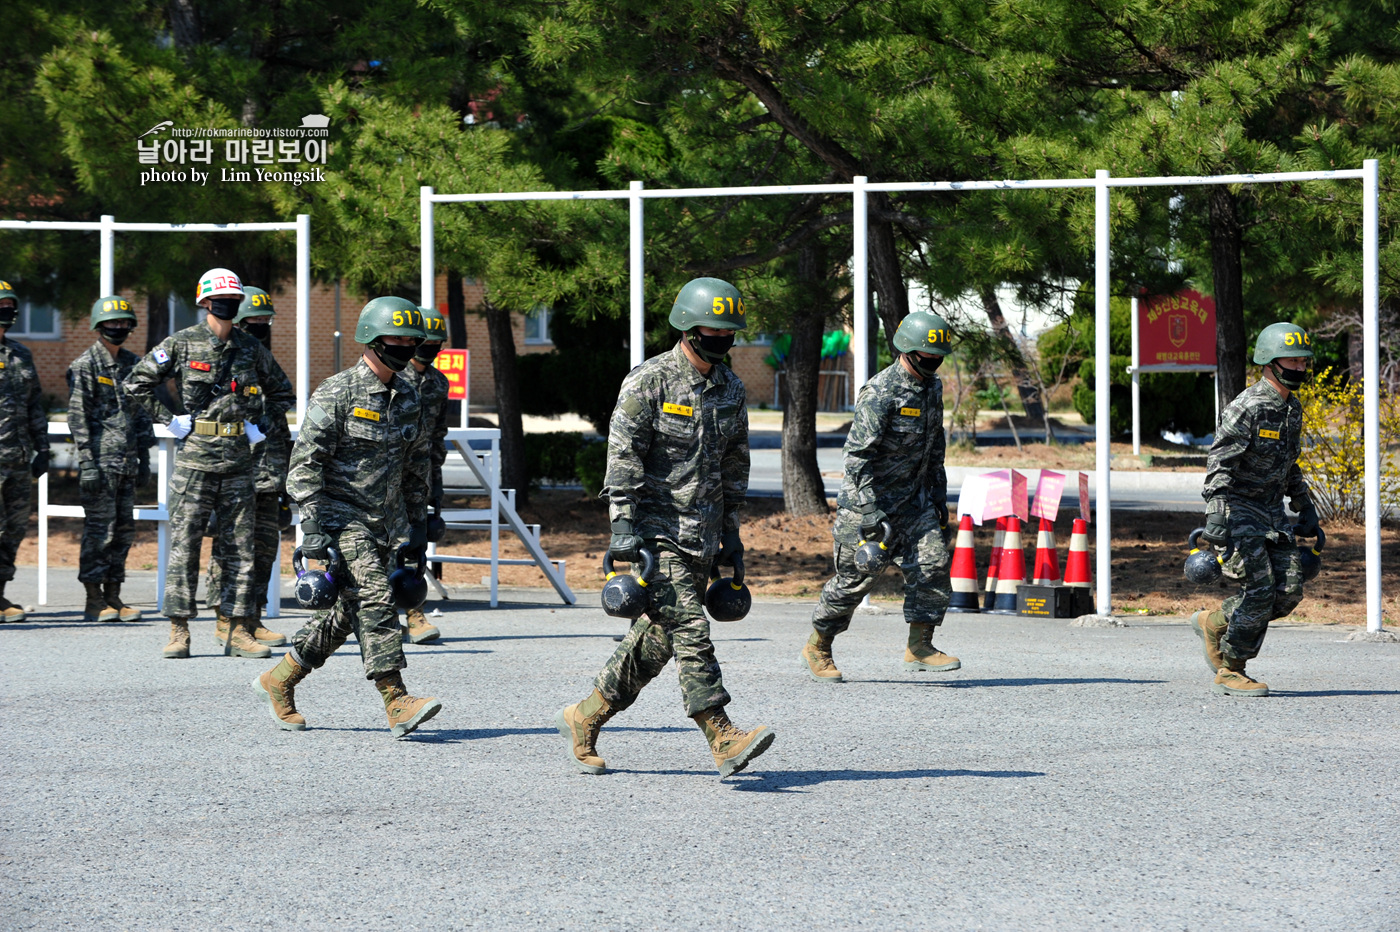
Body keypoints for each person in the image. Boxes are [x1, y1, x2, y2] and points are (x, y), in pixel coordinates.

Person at [555, 277, 774, 778]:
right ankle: (722, 733)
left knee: (657, 642)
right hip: (656, 534)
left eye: (728, 331)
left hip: (705, 532)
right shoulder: (649, 381)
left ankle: (585, 715)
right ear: (686, 326)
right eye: (710, 329)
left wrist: (732, 534)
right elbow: (623, 458)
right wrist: (623, 530)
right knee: (692, 631)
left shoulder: (732, 388)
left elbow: (733, 465)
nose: (720, 338)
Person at [252, 296, 441, 738]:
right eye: (397, 339)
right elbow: (303, 467)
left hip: (385, 523)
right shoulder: (337, 392)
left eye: (412, 340)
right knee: (375, 595)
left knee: (345, 612)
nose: (406, 346)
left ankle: (279, 679)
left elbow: (416, 468)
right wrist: (312, 530)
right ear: (372, 340)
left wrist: (417, 527)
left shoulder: (410, 395)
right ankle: (396, 699)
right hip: (339, 518)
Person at [123, 268, 293, 660]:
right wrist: (169, 420)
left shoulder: (250, 348)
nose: (228, 305)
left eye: (234, 300)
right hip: (196, 458)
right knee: (185, 545)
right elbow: (136, 382)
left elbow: (281, 391)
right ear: (204, 302)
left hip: (238, 460)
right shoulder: (181, 343)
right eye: (221, 299)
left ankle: (235, 629)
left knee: (239, 549)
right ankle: (179, 630)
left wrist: (259, 419)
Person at [801, 310, 957, 683]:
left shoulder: (931, 388)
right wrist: (870, 509)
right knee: (854, 583)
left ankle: (919, 646)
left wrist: (937, 492)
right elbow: (857, 457)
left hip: (914, 502)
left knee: (933, 566)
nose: (932, 362)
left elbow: (935, 444)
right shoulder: (880, 391)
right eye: (926, 356)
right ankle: (819, 645)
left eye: (938, 357)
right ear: (907, 350)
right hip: (868, 507)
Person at [1191, 322, 1318, 698]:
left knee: (1289, 590)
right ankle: (1232, 669)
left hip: (1272, 511)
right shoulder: (1246, 408)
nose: (1299, 367)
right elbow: (1219, 466)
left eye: (1303, 361)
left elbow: (1288, 463)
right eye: (1291, 360)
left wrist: (1304, 503)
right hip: (1237, 508)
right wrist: (1216, 516)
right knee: (1260, 590)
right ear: (1268, 361)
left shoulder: (1291, 410)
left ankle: (1215, 621)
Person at [206, 286, 288, 647]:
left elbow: (281, 412)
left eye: (265, 321)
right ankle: (226, 619)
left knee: (264, 548)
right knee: (230, 549)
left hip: (269, 475)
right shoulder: (225, 360)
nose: (261, 326)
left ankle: (252, 617)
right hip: (235, 471)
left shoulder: (264, 360)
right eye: (253, 321)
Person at [66, 295, 154, 623]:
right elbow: (78, 418)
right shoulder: (85, 366)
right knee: (99, 532)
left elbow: (142, 412)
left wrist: (145, 457)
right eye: (111, 323)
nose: (118, 328)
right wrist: (87, 461)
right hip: (100, 465)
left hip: (127, 463)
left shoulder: (134, 364)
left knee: (123, 531)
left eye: (123, 323)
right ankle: (93, 599)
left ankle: (115, 597)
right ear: (98, 326)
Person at [399, 304, 449, 645]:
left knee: (418, 543)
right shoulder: (393, 376)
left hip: (424, 475)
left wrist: (435, 473)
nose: (431, 348)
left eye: (437, 343)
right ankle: (382, 617)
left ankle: (414, 612)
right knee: (384, 544)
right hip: (388, 475)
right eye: (426, 341)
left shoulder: (438, 382)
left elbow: (439, 433)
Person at [0, 280, 49, 623]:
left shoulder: (21, 354)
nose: (7, 312)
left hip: (17, 459)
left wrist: (43, 448)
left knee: (13, 530)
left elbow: (35, 406)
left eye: (10, 305)